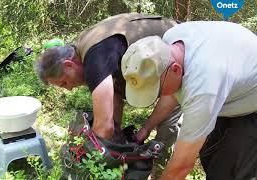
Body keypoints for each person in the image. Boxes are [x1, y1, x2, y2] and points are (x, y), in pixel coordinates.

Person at [35, 12, 182, 177]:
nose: (68, 89)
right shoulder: (80, 50)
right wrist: (115, 136)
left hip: (180, 54)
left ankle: (161, 170)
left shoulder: (95, 57)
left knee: (166, 127)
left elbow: (104, 128)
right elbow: (114, 98)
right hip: (156, 59)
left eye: (64, 82)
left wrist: (87, 158)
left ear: (69, 65)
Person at [121, 21, 257, 179]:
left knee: (232, 167)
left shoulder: (203, 84)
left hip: (252, 102)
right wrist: (145, 129)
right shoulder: (169, 42)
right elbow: (171, 93)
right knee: (210, 155)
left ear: (176, 70)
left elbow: (181, 166)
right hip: (232, 85)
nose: (157, 95)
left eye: (157, 90)